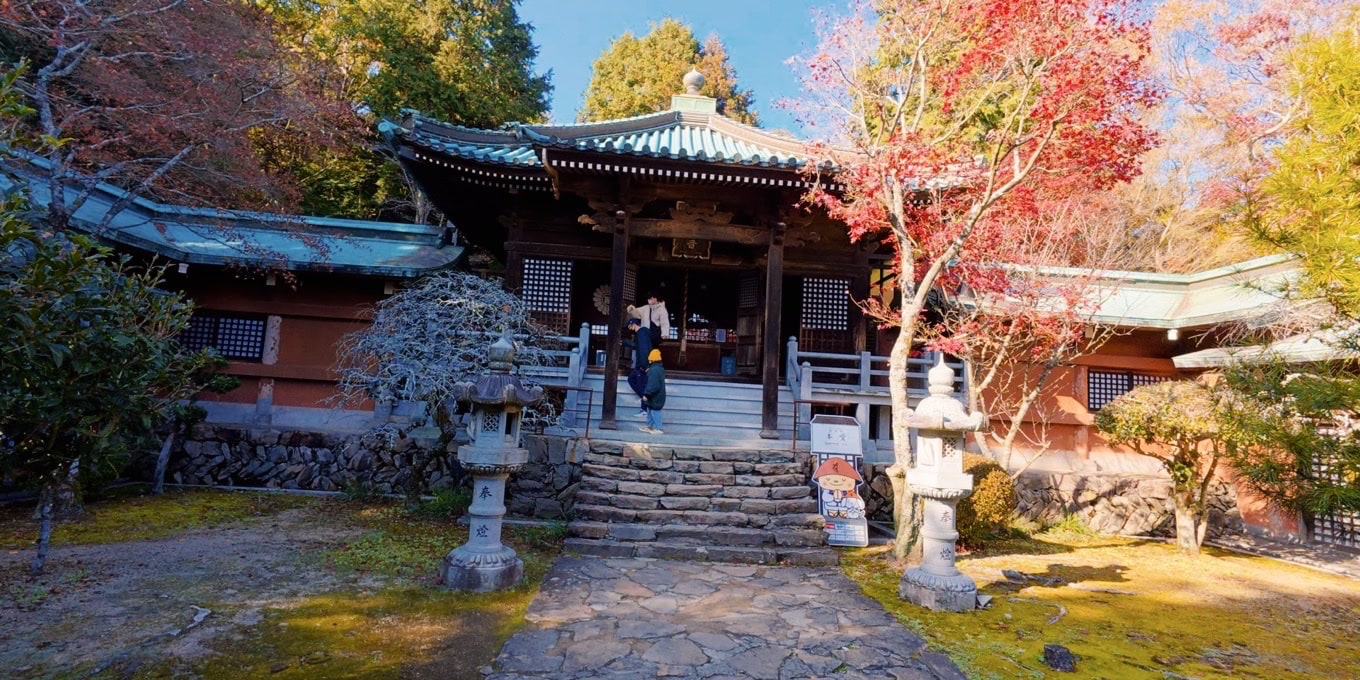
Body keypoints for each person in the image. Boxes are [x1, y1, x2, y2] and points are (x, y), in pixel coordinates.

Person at [624, 318, 647, 416]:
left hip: (642, 365)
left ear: (633, 324)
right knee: (631, 379)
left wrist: (644, 365)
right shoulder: (640, 334)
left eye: (630, 326)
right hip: (639, 364)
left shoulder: (642, 333)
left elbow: (643, 350)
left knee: (642, 385)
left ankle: (645, 408)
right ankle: (644, 398)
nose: (630, 328)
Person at [640, 348, 666, 434]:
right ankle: (650, 426)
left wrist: (646, 394)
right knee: (651, 410)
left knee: (655, 411)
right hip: (657, 394)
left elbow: (653, 385)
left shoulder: (654, 370)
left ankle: (658, 428)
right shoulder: (658, 369)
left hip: (655, 395)